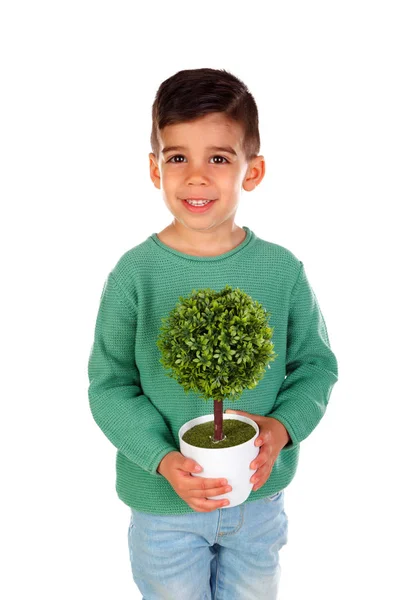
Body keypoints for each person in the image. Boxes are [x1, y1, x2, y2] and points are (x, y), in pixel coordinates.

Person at [87, 67, 339, 600]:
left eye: (218, 158)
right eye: (178, 157)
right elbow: (110, 385)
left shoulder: (281, 271)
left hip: (257, 504)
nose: (196, 177)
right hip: (164, 511)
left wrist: (282, 427)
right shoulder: (135, 275)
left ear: (252, 171)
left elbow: (315, 366)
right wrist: (160, 459)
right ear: (155, 169)